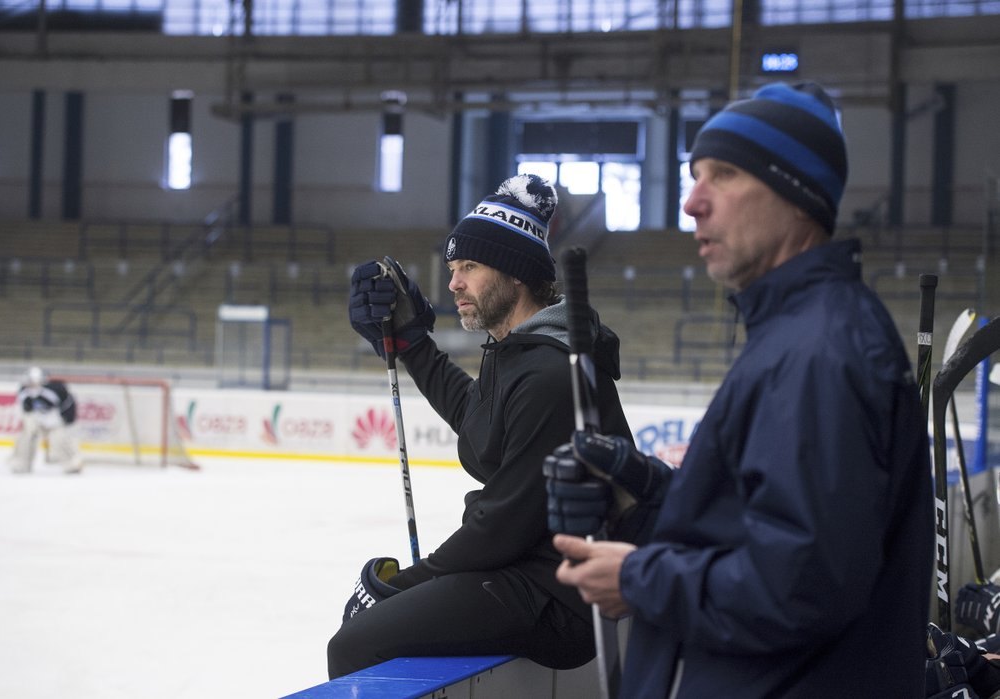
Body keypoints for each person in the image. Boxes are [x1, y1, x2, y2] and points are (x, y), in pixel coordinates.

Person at [546, 81, 934, 697]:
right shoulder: (797, 335)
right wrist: (645, 486)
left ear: (797, 194)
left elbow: (804, 586)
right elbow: (760, 528)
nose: (692, 203)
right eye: (694, 175)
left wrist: (640, 579)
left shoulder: (819, 353)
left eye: (723, 174)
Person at [328, 174, 635, 678]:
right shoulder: (518, 353)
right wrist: (411, 341)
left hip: (559, 593)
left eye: (469, 266)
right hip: (527, 566)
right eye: (453, 267)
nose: (453, 283)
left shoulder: (551, 374)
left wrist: (402, 584)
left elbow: (499, 527)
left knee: (355, 646)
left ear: (515, 273)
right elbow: (479, 421)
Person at [8, 366, 84, 475]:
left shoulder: (55, 390)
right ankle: (21, 463)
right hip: (37, 417)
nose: (31, 386)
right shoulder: (23, 392)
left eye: (34, 383)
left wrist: (67, 418)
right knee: (26, 437)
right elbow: (27, 409)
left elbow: (68, 404)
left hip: (54, 418)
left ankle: (72, 464)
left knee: (59, 439)